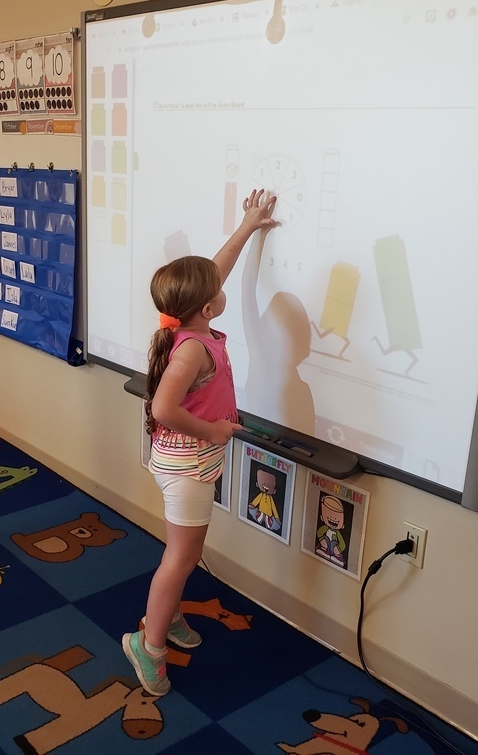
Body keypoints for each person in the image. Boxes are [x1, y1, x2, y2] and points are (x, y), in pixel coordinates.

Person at [123, 189, 278, 695]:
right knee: (181, 558)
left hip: (186, 461)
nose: (221, 282)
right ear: (207, 305)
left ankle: (165, 620)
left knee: (182, 551)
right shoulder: (192, 350)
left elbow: (216, 268)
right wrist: (213, 431)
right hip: (187, 464)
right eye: (216, 288)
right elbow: (163, 408)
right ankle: (148, 647)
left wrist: (248, 226)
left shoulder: (185, 322)